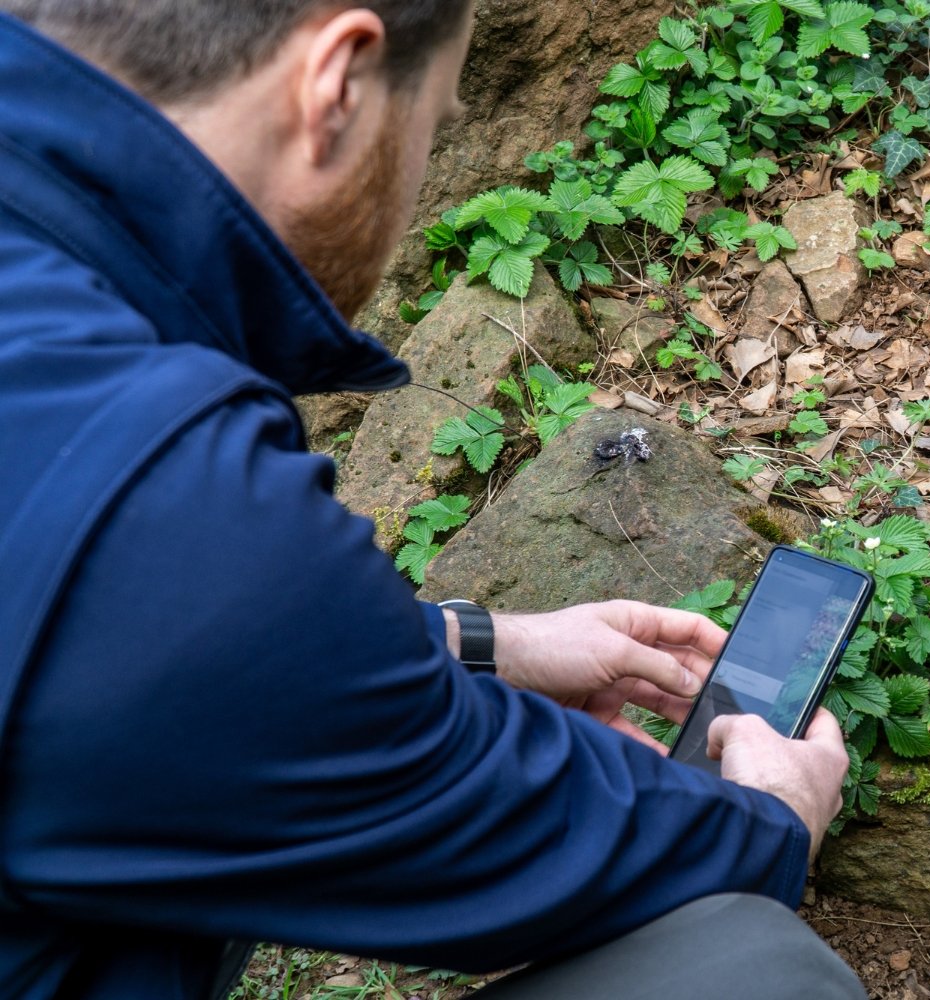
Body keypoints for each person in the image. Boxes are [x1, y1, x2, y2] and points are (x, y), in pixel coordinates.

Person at [0, 3, 862, 998]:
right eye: (436, 123)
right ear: (337, 85)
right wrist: (774, 817)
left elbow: (119, 627)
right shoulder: (174, 496)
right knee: (758, 973)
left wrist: (475, 643)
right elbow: (555, 832)